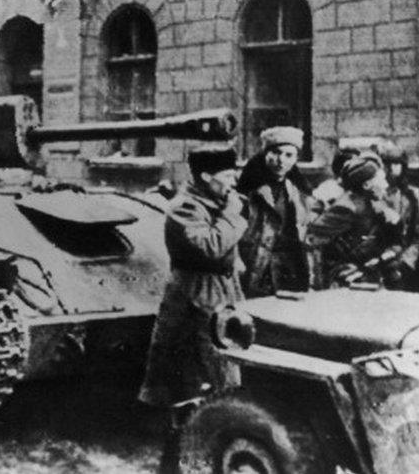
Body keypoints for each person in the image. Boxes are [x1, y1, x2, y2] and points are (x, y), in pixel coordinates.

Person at [139, 145, 246, 409]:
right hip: (196, 291)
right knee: (207, 358)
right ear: (207, 177)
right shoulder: (185, 207)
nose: (234, 182)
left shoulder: (218, 202)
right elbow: (211, 246)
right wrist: (232, 214)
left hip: (223, 287)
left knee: (222, 354)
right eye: (228, 175)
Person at [237, 126, 318, 297]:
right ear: (265, 154)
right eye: (275, 153)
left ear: (296, 159)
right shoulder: (246, 189)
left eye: (289, 155)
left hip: (289, 268)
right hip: (257, 264)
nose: (281, 160)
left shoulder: (299, 192)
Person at [305, 153, 403, 288]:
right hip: (345, 278)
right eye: (381, 180)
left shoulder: (371, 201)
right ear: (367, 185)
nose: (386, 185)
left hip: (367, 269)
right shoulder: (346, 207)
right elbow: (312, 239)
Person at [377, 141, 419, 290]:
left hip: (408, 253)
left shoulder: (412, 196)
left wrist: (409, 257)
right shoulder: (377, 194)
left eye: (398, 164)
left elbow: (416, 233)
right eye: (390, 164)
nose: (394, 169)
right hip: (382, 252)